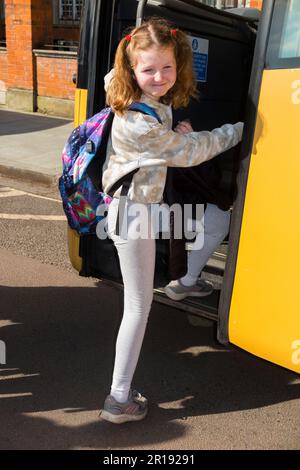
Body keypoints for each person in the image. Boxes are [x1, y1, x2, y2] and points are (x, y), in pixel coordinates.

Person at [100, 18, 243, 424]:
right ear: (132, 70)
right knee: (139, 307)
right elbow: (192, 151)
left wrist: (174, 129)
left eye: (167, 67)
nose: (159, 77)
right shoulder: (138, 121)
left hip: (148, 206)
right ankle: (118, 398)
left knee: (214, 215)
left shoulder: (126, 89)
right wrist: (240, 130)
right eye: (148, 69)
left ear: (178, 64)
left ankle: (184, 282)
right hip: (133, 214)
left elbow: (172, 140)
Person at [163, 119, 231, 301]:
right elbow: (209, 179)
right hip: (161, 208)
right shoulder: (168, 125)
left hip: (131, 204)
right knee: (220, 220)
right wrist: (195, 141)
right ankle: (186, 280)